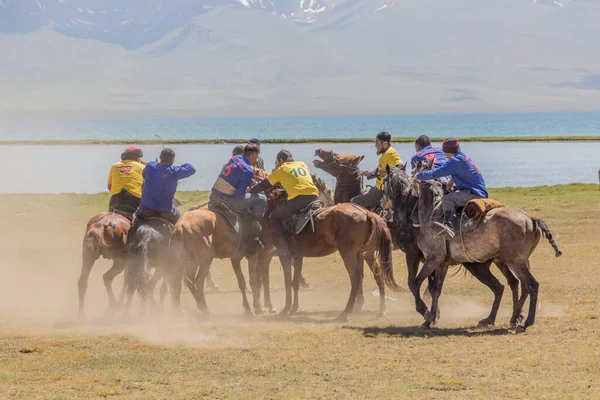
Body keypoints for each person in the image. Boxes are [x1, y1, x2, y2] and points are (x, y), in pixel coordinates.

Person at [249, 150, 319, 257]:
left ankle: (282, 248)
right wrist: (284, 191)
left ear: (280, 160)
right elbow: (301, 183)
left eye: (278, 162)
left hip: (299, 199)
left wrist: (250, 192)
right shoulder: (302, 164)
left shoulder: (282, 169)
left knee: (274, 218)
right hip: (314, 197)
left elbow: (264, 184)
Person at [416, 138, 488, 239]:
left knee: (447, 199)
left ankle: (448, 226)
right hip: (477, 190)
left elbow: (436, 173)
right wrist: (451, 182)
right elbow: (459, 173)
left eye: (444, 153)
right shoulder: (462, 157)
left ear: (448, 153)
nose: (444, 156)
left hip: (473, 193)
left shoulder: (454, 161)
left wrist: (419, 175)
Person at [210, 143, 268, 225]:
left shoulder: (234, 158)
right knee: (262, 199)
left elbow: (234, 177)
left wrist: (249, 182)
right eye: (257, 156)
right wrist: (249, 190)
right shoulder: (248, 170)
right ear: (253, 155)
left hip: (213, 196)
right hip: (227, 201)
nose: (257, 159)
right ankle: (255, 224)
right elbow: (240, 195)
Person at [135, 148, 196, 225]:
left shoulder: (150, 166)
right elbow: (192, 169)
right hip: (165, 209)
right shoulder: (174, 171)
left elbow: (144, 175)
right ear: (172, 160)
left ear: (160, 157)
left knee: (134, 221)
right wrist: (181, 166)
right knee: (180, 223)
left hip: (145, 207)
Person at [351, 131, 403, 210]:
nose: (375, 145)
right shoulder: (384, 153)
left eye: (377, 143)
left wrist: (387, 174)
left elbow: (401, 168)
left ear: (385, 143)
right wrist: (369, 174)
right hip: (378, 188)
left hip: (382, 191)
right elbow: (378, 171)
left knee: (354, 201)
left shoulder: (391, 152)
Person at [107, 146, 145, 214]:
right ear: (137, 157)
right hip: (134, 199)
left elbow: (110, 186)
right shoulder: (142, 167)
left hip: (115, 199)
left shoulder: (115, 166)